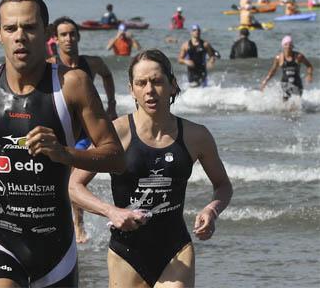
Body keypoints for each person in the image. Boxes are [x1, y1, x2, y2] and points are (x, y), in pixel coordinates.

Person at [0, 0, 126, 288]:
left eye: (30, 27)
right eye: (11, 29)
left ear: (46, 33)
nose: (19, 36)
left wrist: (65, 153)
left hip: (57, 249)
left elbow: (115, 156)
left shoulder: (72, 84)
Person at [69, 48, 233, 288]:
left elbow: (223, 185)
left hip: (175, 249)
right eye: (141, 83)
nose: (149, 90)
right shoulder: (117, 133)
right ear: (131, 90)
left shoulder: (197, 136)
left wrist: (212, 210)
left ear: (172, 85)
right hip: (126, 252)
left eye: (157, 81)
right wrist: (111, 211)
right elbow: (74, 185)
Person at [51, 16, 118, 243]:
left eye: (72, 34)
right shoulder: (50, 66)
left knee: (74, 178)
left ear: (78, 36)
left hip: (85, 133)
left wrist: (111, 104)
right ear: (56, 39)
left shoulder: (92, 63)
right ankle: (61, 221)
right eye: (63, 35)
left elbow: (107, 75)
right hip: (61, 129)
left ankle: (78, 225)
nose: (68, 38)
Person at [260, 35, 313, 101]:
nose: (288, 46)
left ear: (292, 46)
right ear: (283, 46)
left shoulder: (299, 56)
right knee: (286, 105)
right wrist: (265, 81)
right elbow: (273, 71)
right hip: (285, 83)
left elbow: (309, 66)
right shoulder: (278, 57)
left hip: (297, 83)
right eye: (286, 44)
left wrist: (309, 75)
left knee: (297, 106)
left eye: (290, 44)